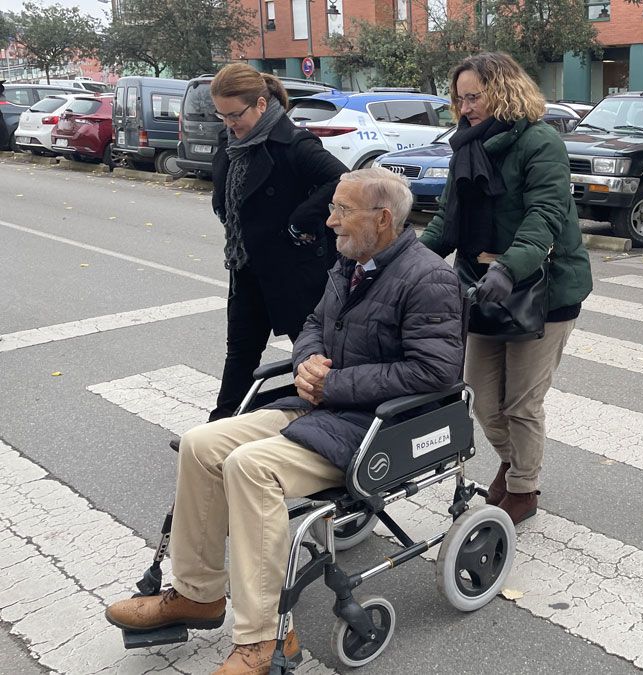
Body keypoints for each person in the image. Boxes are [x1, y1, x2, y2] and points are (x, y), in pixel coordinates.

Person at [104, 168, 463, 675]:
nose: (330, 218)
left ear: (381, 219)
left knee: (250, 468)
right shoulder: (352, 260)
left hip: (373, 430)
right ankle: (197, 594)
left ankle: (267, 637)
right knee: (201, 444)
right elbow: (313, 323)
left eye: (342, 209)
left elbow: (435, 370)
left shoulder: (429, 278)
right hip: (322, 408)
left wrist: (332, 384)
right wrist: (307, 362)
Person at [419, 52, 593, 526]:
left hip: (544, 289)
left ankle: (523, 489)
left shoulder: (539, 142)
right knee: (477, 391)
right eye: (460, 98)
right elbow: (446, 219)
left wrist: (511, 266)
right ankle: (515, 462)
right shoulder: (466, 145)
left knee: (521, 403)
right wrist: (407, 259)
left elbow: (545, 216)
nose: (466, 106)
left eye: (474, 96)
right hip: (481, 285)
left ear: (503, 90)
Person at [208, 63, 348, 422]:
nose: (228, 124)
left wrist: (301, 218)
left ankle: (328, 423)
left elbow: (342, 179)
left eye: (234, 114)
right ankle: (221, 424)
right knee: (240, 350)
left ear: (259, 104)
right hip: (247, 266)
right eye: (221, 115)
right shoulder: (232, 141)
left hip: (293, 272)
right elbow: (226, 188)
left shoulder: (294, 143)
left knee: (309, 352)